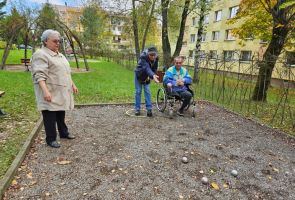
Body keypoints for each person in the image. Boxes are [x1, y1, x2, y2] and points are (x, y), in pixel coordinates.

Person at [31, 29, 78, 148]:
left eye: (59, 41)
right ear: (45, 41)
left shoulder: (59, 54)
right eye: (55, 41)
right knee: (49, 116)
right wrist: (45, 92)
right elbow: (39, 75)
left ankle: (63, 133)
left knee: (60, 113)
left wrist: (72, 84)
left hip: (60, 91)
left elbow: (66, 72)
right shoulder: (40, 54)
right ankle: (50, 139)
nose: (58, 43)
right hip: (50, 91)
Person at [134, 47, 160, 117]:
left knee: (147, 91)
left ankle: (149, 109)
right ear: (148, 54)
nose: (153, 57)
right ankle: (137, 109)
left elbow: (154, 68)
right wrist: (153, 75)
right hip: (139, 75)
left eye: (154, 55)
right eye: (151, 55)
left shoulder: (156, 58)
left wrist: (153, 75)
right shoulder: (143, 57)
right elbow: (146, 68)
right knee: (138, 91)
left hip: (148, 76)